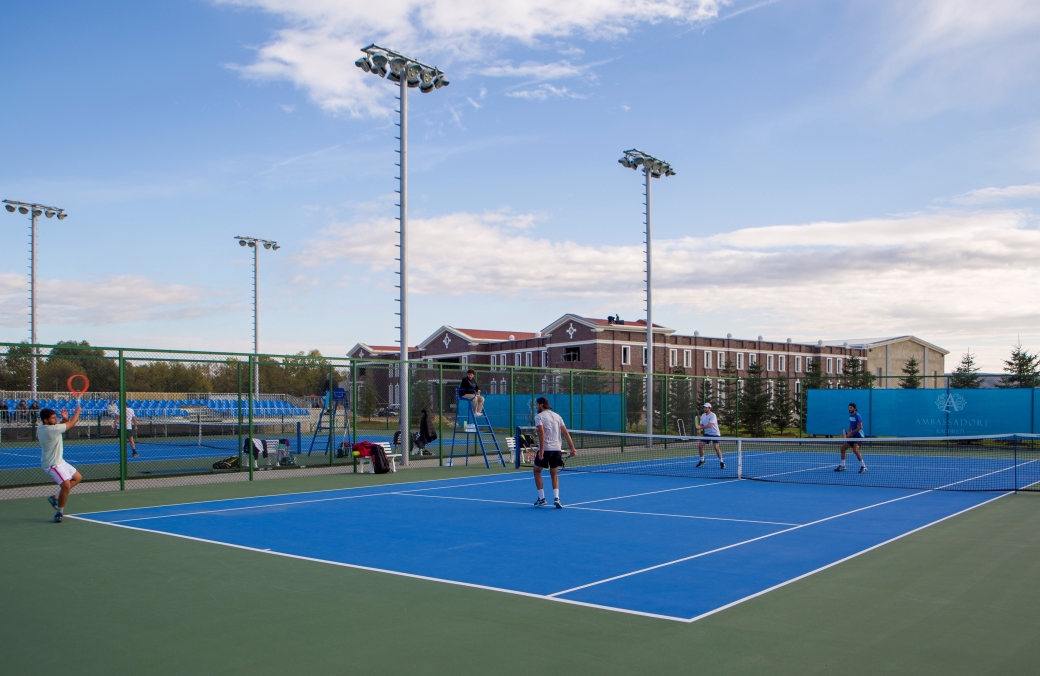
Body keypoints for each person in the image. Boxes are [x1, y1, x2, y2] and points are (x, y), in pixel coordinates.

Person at [39, 406, 83, 523]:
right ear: (45, 420)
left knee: (78, 478)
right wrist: (77, 411)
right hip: (52, 464)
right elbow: (72, 423)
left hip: (60, 461)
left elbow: (62, 427)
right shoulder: (50, 430)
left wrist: (64, 419)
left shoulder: (43, 427)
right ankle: (59, 512)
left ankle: (56, 497)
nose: (55, 420)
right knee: (66, 486)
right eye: (53, 418)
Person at [532, 396, 576, 509]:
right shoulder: (558, 416)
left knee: (537, 471)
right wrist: (572, 448)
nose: (536, 407)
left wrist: (541, 450)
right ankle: (557, 498)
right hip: (557, 449)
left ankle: (542, 498)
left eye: (537, 405)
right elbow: (566, 433)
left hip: (546, 449)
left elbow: (541, 432)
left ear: (541, 405)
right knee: (554, 473)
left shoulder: (538, 417)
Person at [837, 403, 867, 473]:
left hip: (859, 436)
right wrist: (849, 433)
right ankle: (843, 465)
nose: (849, 409)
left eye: (850, 408)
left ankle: (863, 466)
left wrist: (851, 433)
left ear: (854, 408)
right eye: (849, 408)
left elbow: (860, 427)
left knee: (855, 450)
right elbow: (850, 425)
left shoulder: (857, 416)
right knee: (843, 448)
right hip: (853, 436)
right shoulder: (850, 416)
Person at [695, 402, 725, 469]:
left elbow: (710, 425)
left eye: (706, 407)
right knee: (700, 445)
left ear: (709, 408)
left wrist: (701, 428)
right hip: (707, 434)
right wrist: (699, 429)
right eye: (704, 407)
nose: (704, 409)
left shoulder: (713, 415)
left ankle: (722, 462)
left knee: (716, 447)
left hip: (715, 433)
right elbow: (701, 424)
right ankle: (702, 460)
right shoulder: (703, 415)